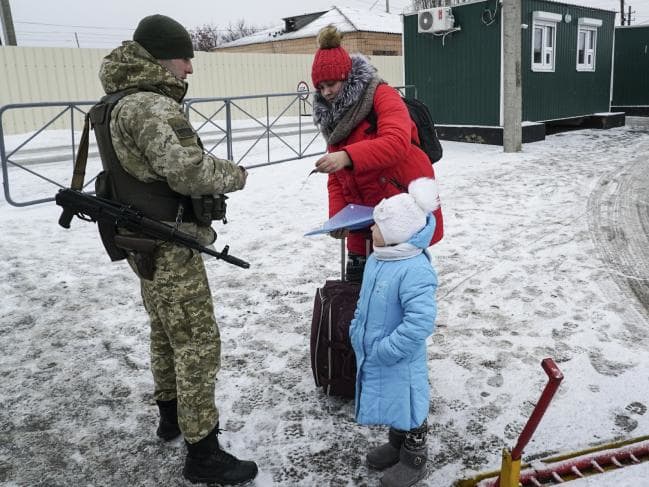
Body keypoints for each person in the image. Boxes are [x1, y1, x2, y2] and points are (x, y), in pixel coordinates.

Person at [95, 14, 257, 486]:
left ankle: (170, 416)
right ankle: (203, 453)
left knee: (165, 332)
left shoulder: (114, 102)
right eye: (186, 58)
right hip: (168, 241)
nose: (189, 68)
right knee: (197, 344)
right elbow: (188, 171)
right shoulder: (149, 105)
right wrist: (235, 174)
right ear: (165, 57)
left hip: (140, 239)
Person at [311, 25, 443, 282]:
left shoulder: (382, 95)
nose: (326, 92)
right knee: (358, 291)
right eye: (321, 87)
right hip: (361, 213)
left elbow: (396, 142)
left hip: (398, 206)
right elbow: (336, 178)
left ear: (346, 77)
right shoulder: (332, 115)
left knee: (397, 290)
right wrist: (338, 218)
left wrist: (347, 156)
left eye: (332, 84)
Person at [349, 177, 440, 487]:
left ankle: (415, 458)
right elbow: (365, 301)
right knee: (395, 401)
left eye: (377, 225)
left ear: (396, 232)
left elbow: (420, 322)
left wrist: (389, 348)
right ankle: (396, 444)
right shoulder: (378, 259)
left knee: (412, 404)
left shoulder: (415, 269)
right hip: (379, 349)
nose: (371, 230)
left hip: (401, 356)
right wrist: (355, 328)